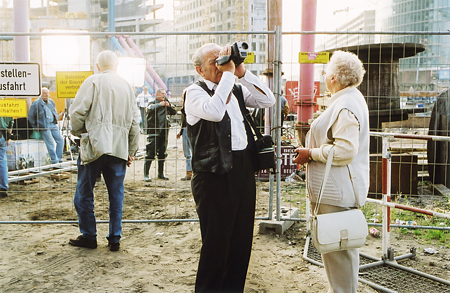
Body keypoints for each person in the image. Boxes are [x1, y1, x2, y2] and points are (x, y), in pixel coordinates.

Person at [184, 43, 275, 292]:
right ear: (199, 70)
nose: (220, 65)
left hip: (242, 170)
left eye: (221, 59)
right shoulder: (194, 92)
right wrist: (227, 74)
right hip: (212, 175)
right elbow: (214, 111)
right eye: (214, 62)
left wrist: (242, 72)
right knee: (216, 244)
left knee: (240, 242)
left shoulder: (234, 87)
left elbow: (268, 100)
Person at [293, 50, 369, 293]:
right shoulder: (349, 99)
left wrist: (311, 154)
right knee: (340, 258)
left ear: (334, 77)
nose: (324, 75)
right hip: (339, 189)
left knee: (340, 258)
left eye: (325, 71)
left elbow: (346, 150)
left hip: (337, 192)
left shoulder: (345, 105)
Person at [68, 50, 140, 252]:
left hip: (95, 145)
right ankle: (114, 238)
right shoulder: (127, 86)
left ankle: (89, 235)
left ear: (98, 66)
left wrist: (80, 131)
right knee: (116, 195)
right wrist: (131, 149)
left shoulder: (93, 82)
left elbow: (77, 112)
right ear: (117, 66)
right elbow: (135, 122)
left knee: (84, 193)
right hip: (119, 148)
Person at [144, 88, 176, 182]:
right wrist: (159, 105)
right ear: (157, 94)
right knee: (150, 153)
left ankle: (161, 173)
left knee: (162, 154)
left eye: (165, 93)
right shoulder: (152, 103)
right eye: (162, 93)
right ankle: (146, 174)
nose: (164, 95)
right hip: (154, 132)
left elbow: (174, 111)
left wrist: (169, 106)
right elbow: (149, 109)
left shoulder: (166, 103)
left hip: (164, 132)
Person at [28, 88, 64, 164]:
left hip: (52, 124)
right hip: (44, 126)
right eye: (44, 93)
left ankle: (59, 159)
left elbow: (54, 111)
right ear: (40, 94)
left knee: (60, 140)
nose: (46, 95)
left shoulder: (51, 102)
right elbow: (30, 116)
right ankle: (55, 161)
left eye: (47, 93)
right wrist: (35, 126)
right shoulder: (36, 103)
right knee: (50, 143)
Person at [176, 90, 192, 181]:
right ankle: (190, 172)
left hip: (188, 130)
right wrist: (180, 132)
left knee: (188, 153)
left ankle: (189, 172)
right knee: (190, 153)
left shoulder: (187, 107)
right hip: (186, 130)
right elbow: (183, 121)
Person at [0, 116, 13, 198]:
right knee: (2, 161)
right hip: (3, 135)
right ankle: (3, 188)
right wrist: (8, 137)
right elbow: (11, 122)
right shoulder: (7, 104)